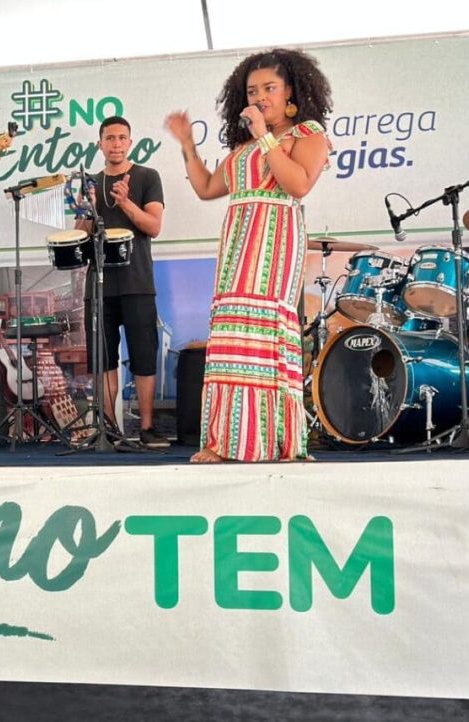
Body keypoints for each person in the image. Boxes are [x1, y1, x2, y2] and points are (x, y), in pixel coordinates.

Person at [165, 48, 333, 462]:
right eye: (253, 90)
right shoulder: (244, 148)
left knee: (261, 336)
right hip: (239, 241)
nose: (259, 97)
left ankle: (271, 441)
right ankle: (227, 440)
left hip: (274, 239)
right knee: (232, 338)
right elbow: (207, 188)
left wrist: (265, 136)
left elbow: (297, 185)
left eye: (269, 88)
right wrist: (187, 144)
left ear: (290, 91)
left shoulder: (308, 134)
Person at [74, 116, 167, 447]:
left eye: (121, 138)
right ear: (100, 144)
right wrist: (89, 209)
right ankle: (108, 428)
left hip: (137, 281)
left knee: (143, 357)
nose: (116, 144)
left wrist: (125, 202)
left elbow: (154, 226)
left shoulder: (147, 176)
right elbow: (79, 235)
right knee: (103, 359)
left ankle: (147, 427)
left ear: (130, 142)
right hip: (98, 284)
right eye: (110, 138)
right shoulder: (90, 183)